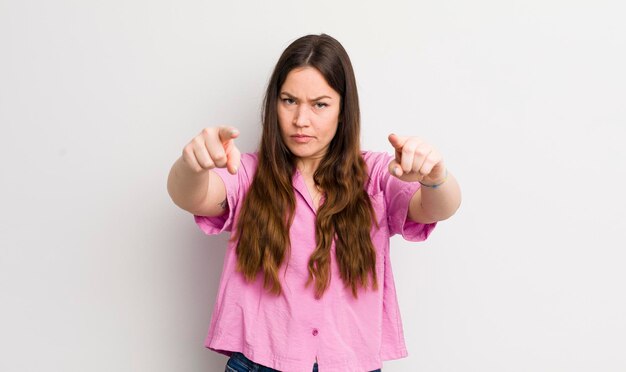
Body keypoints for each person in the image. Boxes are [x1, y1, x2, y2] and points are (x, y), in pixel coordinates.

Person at [167, 34, 461, 372]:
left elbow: (439, 207)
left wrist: (435, 176)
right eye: (289, 100)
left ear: (342, 110)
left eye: (320, 104)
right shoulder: (249, 173)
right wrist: (191, 165)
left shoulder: (376, 174)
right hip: (258, 364)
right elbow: (192, 196)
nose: (300, 120)